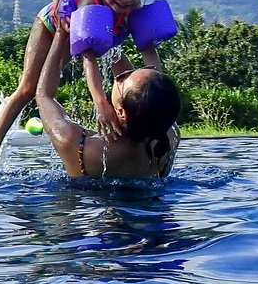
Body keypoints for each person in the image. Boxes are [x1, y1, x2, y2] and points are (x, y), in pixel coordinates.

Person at [0, 0, 161, 180]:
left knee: (133, 82)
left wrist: (158, 98)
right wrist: (101, 104)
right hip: (55, 26)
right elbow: (88, 56)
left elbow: (150, 56)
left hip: (102, 35)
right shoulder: (90, 3)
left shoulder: (135, 8)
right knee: (29, 88)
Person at [35, 26, 181, 178]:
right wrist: (109, 38)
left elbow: (44, 96)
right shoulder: (168, 136)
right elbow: (146, 96)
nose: (120, 76)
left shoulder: (85, 148)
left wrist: (61, 32)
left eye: (122, 80)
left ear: (121, 112)